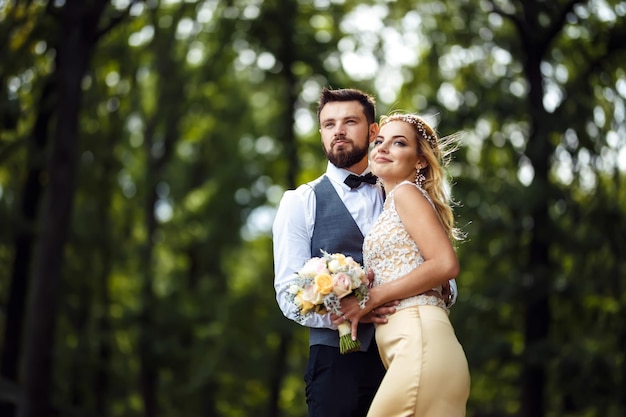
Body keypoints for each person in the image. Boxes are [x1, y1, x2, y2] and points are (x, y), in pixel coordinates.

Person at [273, 88, 457, 417]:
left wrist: (438, 290)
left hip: (404, 350)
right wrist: (347, 311)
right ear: (321, 133)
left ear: (373, 131)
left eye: (350, 121)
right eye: (329, 124)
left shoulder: (402, 188)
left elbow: (444, 273)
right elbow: (288, 294)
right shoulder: (300, 202)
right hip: (337, 362)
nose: (338, 131)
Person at [338, 112, 471, 417]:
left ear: (420, 160)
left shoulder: (406, 193)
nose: (383, 148)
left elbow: (445, 264)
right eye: (379, 141)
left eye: (398, 143)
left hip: (419, 340)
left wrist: (372, 299)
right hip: (407, 346)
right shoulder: (391, 205)